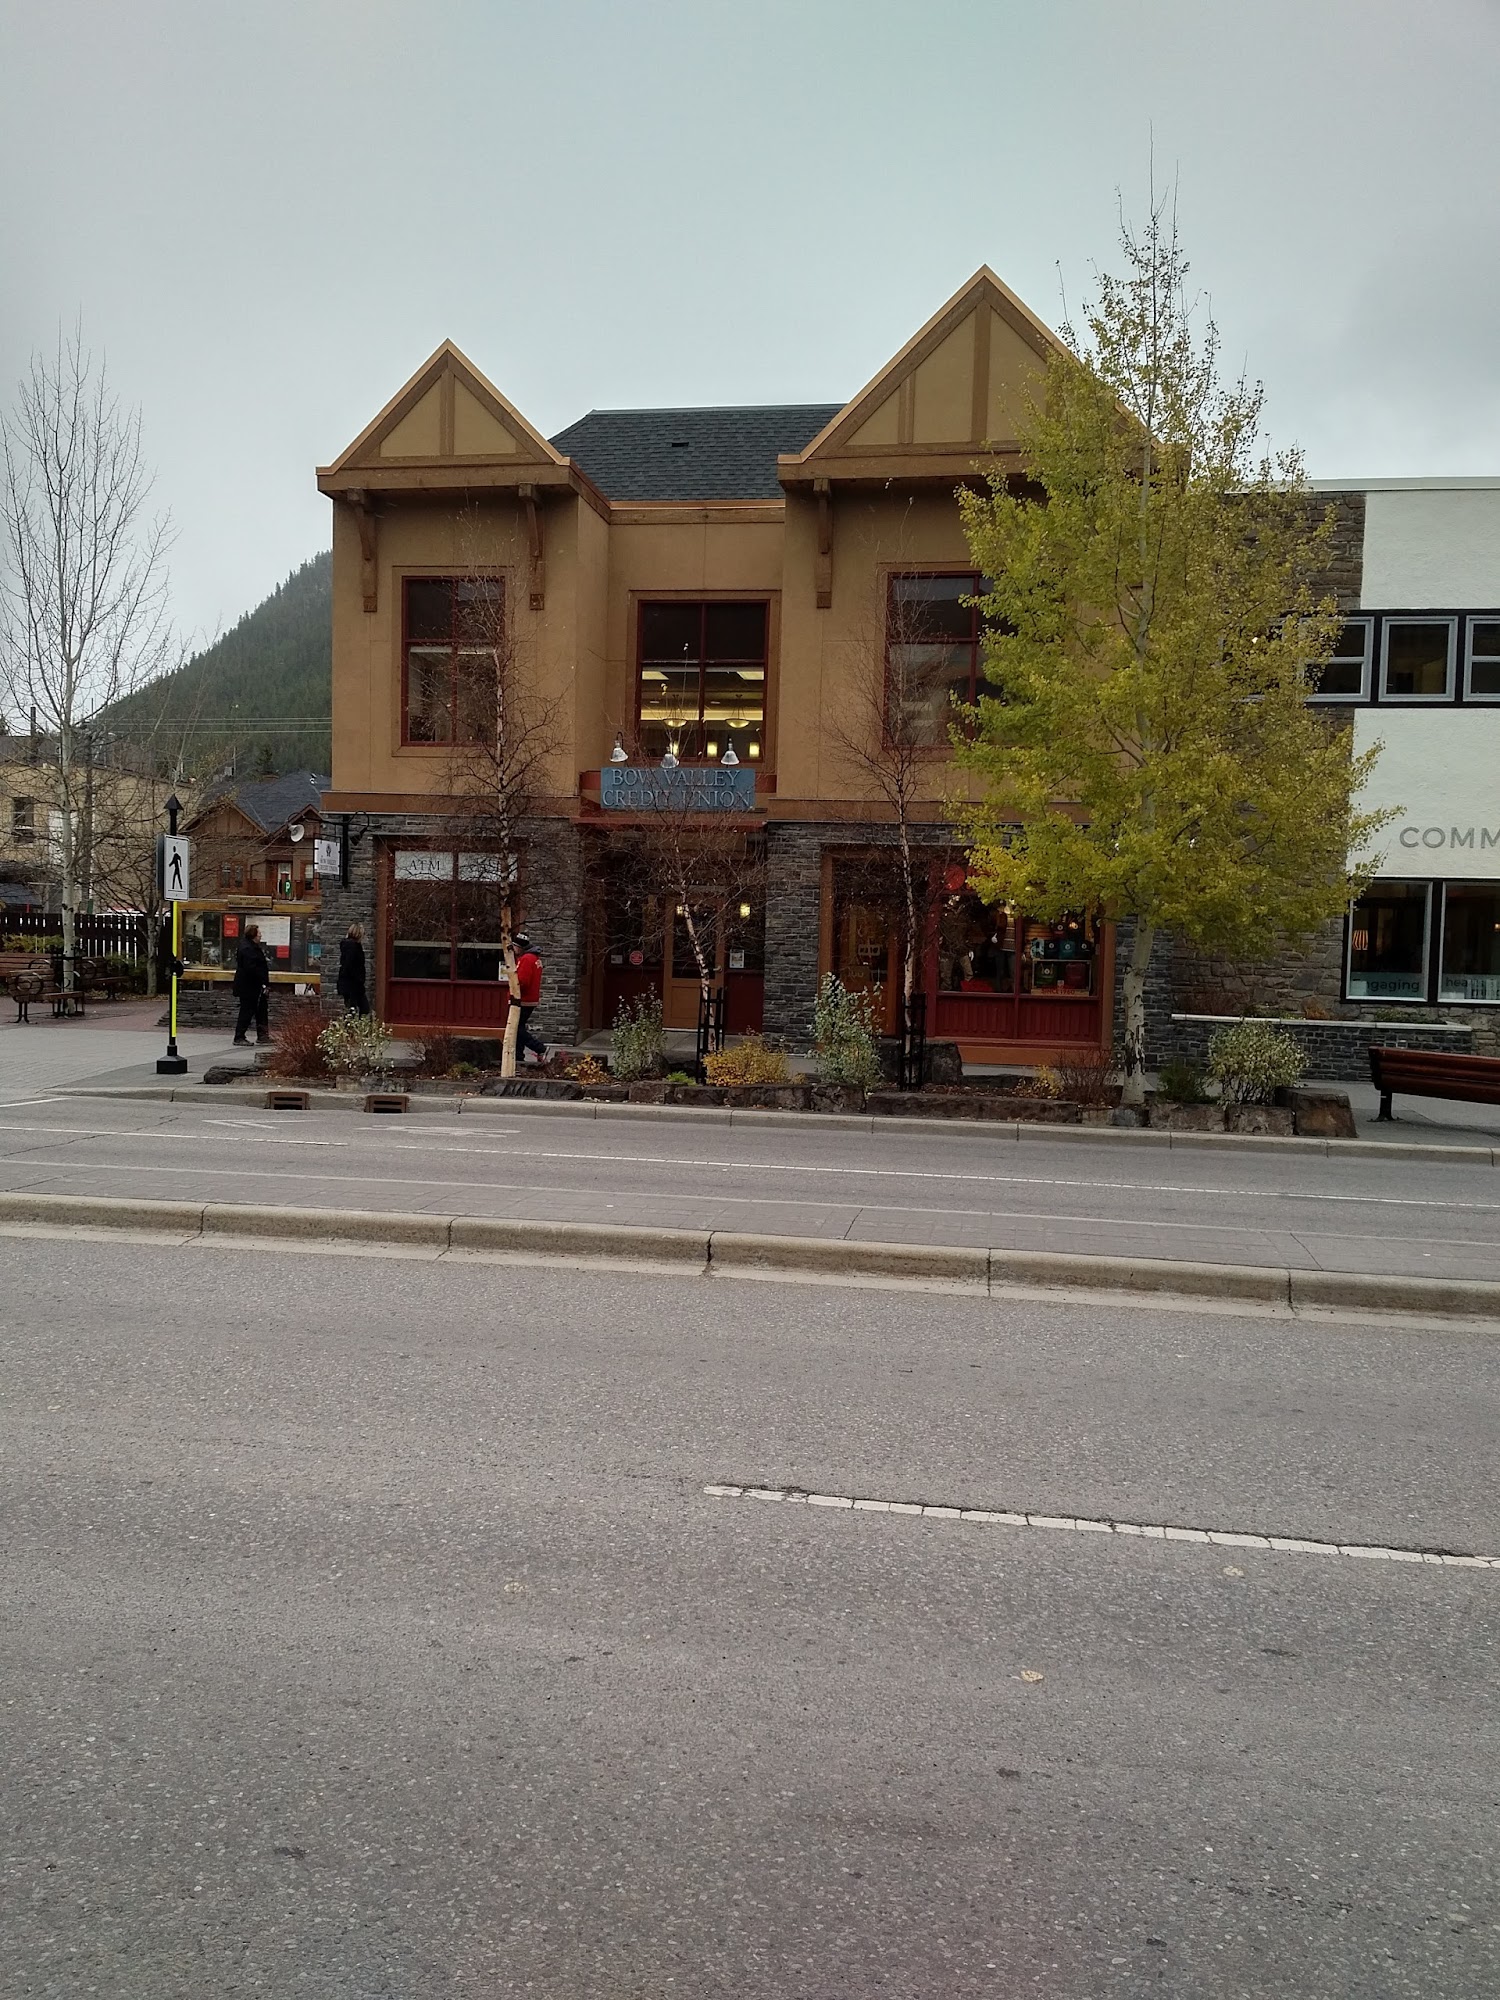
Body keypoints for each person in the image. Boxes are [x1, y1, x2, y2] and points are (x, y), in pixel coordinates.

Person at [231, 923, 272, 1045]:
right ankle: (239, 1037)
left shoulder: (252, 947)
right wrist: (262, 982)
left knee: (261, 1011)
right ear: (253, 935)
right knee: (247, 1011)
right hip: (249, 986)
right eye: (259, 933)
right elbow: (252, 968)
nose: (260, 935)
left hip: (255, 986)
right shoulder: (248, 949)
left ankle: (263, 1035)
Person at [511, 931, 548, 1064]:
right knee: (519, 1027)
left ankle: (539, 1048)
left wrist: (513, 988)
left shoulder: (526, 959)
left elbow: (522, 981)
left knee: (516, 1028)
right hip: (530, 999)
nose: (513, 949)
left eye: (514, 946)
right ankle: (518, 1056)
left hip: (523, 999)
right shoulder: (534, 958)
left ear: (519, 946)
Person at [336, 922, 370, 1015]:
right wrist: (359, 979)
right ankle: (351, 1023)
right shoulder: (353, 947)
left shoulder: (349, 946)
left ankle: (351, 1022)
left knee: (354, 1009)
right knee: (361, 1009)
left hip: (350, 984)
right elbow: (350, 966)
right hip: (353, 985)